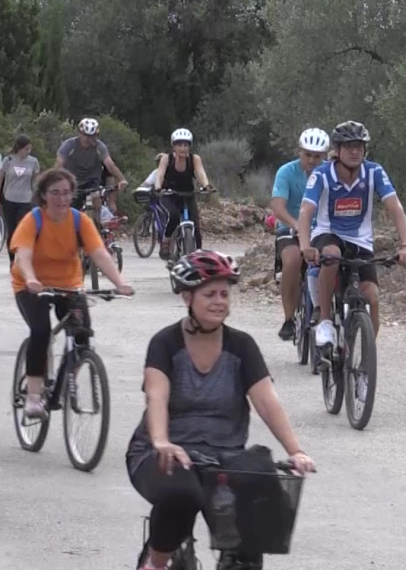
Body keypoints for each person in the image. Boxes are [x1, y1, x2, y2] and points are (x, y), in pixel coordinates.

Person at [126, 250, 316, 570]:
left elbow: (266, 402)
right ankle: (156, 562)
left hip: (223, 457)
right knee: (181, 496)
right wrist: (161, 440)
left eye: (225, 294)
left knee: (262, 508)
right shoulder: (166, 343)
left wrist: (296, 451)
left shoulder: (241, 346)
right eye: (210, 294)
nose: (219, 301)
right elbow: (156, 397)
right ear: (187, 296)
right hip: (163, 453)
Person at [10, 168, 134, 419]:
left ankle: (70, 379)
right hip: (30, 285)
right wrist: (32, 278)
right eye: (55, 193)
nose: (62, 198)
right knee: (41, 331)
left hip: (68, 285)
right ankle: (34, 396)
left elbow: (99, 253)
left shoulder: (79, 221)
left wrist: (120, 282)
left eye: (66, 192)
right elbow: (23, 253)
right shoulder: (34, 219)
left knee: (82, 335)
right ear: (44, 195)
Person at [297, 121, 406, 348]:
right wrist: (305, 245)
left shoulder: (374, 172)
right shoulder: (322, 174)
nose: (354, 151)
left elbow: (395, 207)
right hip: (327, 233)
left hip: (361, 241)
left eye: (359, 147)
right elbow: (305, 210)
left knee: (372, 297)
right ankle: (324, 321)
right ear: (337, 150)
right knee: (330, 255)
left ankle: (363, 355)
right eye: (349, 146)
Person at [270, 128, 329, 341]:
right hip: (290, 226)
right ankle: (288, 318)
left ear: (325, 156)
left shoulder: (329, 173)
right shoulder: (286, 172)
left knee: (330, 259)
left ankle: (324, 309)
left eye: (317, 156)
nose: (312, 160)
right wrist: (295, 224)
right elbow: (278, 206)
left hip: (320, 229)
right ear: (299, 152)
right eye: (308, 155)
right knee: (292, 259)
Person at [153, 128, 212, 260]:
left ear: (190, 146)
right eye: (179, 144)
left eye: (186, 145)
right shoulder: (166, 159)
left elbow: (200, 173)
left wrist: (206, 185)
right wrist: (158, 187)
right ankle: (166, 242)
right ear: (173, 146)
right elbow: (160, 175)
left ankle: (197, 256)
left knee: (196, 226)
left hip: (188, 194)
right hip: (170, 194)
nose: (183, 148)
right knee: (173, 216)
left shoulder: (194, 159)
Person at [54, 118, 128, 220]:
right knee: (70, 210)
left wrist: (121, 179)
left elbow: (110, 165)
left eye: (91, 136)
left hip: (92, 181)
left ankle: (97, 226)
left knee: (96, 199)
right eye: (85, 135)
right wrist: (52, 181)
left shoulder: (99, 147)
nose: (87, 139)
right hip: (72, 181)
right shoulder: (69, 145)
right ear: (80, 133)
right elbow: (58, 164)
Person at [0, 135, 40, 264]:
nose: (28, 152)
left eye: (30, 149)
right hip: (9, 199)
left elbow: (36, 181)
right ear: (19, 148)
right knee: (12, 231)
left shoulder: (33, 162)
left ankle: (23, 258)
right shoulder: (8, 160)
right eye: (26, 149)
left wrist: (38, 197)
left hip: (25, 200)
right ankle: (12, 260)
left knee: (23, 229)